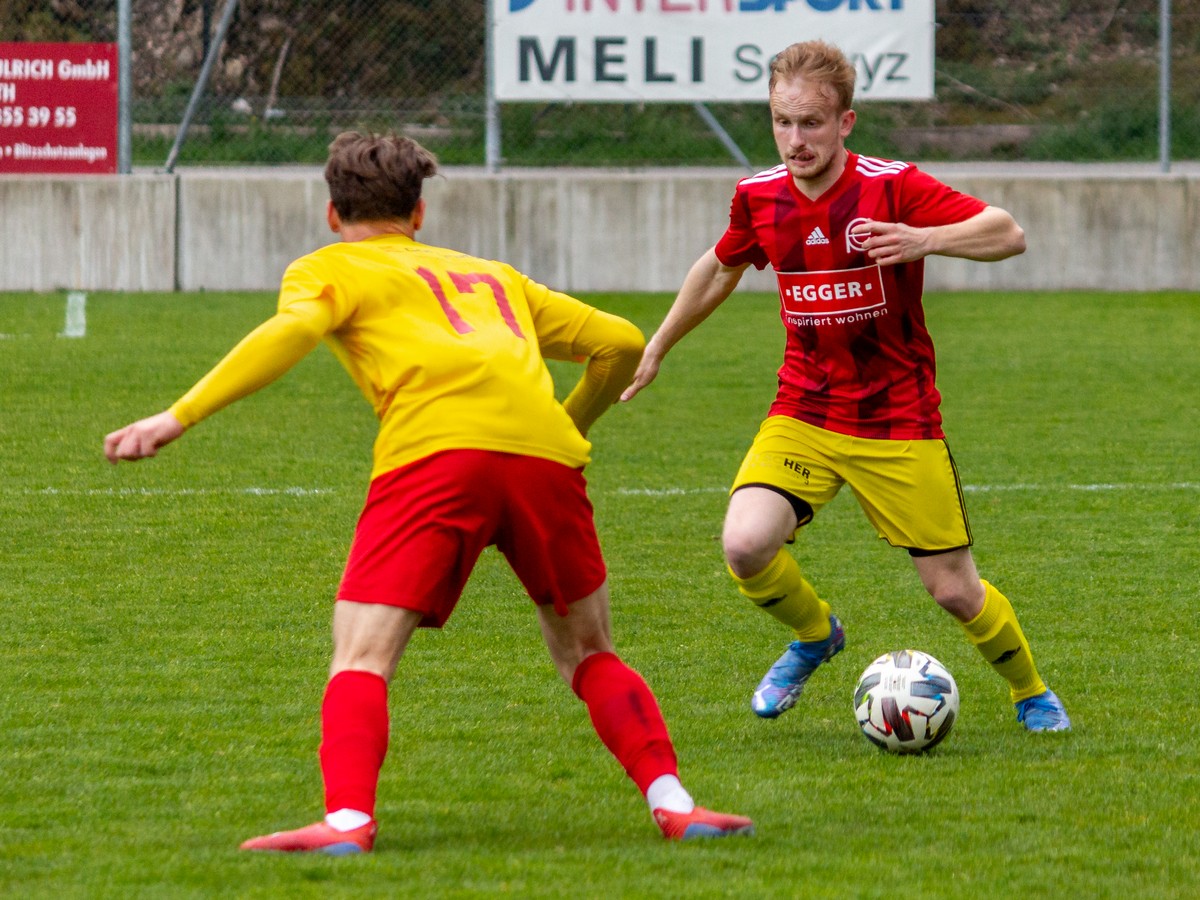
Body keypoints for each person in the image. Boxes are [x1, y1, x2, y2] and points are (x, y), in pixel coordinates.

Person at [104, 132, 753, 853]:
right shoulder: (491, 275)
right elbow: (621, 342)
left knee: (362, 655)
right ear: (418, 213)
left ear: (332, 214)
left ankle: (347, 821)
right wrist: (566, 426)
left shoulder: (328, 267)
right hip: (545, 460)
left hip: (435, 455)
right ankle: (675, 804)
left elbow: (293, 331)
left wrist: (178, 415)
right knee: (589, 651)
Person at [620, 41, 1070, 733]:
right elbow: (718, 267)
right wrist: (658, 345)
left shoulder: (891, 187)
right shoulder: (758, 196)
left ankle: (1030, 691)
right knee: (745, 545)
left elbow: (1007, 233)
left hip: (898, 418)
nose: (795, 140)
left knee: (954, 590)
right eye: (783, 122)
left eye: (812, 123)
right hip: (804, 409)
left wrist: (924, 239)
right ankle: (815, 636)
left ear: (845, 122)